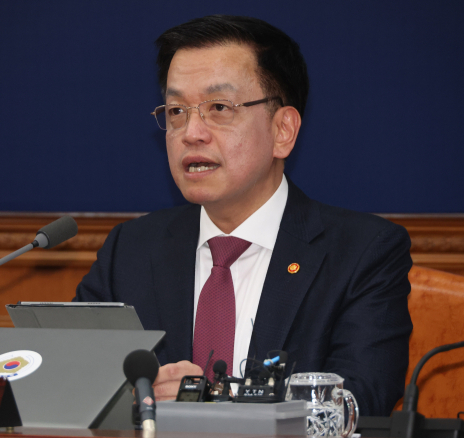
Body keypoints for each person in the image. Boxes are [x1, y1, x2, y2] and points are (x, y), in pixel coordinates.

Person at [75, 15, 412, 417]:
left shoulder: (362, 253)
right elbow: (72, 379)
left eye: (219, 107)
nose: (191, 132)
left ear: (283, 130)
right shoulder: (129, 250)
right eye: (177, 110)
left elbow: (360, 398)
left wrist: (214, 403)